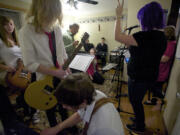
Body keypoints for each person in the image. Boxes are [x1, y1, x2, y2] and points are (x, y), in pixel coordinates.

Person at [115, 1, 167, 133]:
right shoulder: (162, 37)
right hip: (150, 76)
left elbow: (117, 37)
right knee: (137, 101)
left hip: (138, 77)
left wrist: (118, 16)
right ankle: (139, 120)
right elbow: (145, 52)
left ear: (146, 18)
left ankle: (140, 126)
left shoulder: (143, 36)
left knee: (135, 102)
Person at [19, 0, 69, 127]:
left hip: (60, 74)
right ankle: (54, 127)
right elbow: (29, 64)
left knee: (64, 102)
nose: (53, 19)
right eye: (51, 14)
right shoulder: (26, 31)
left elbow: (62, 53)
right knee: (49, 104)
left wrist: (66, 67)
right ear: (41, 10)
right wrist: (54, 72)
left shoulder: (56, 29)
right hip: (45, 77)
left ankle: (68, 124)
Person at [40, 73, 125, 135]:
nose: (63, 106)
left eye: (67, 104)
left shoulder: (104, 129)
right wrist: (56, 129)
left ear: (83, 102)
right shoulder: (94, 94)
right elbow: (80, 114)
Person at [144, 25, 177, 105]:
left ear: (168, 34)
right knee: (153, 86)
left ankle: (159, 100)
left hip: (162, 71)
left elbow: (165, 58)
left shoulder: (171, 44)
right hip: (158, 69)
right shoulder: (167, 43)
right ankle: (155, 100)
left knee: (156, 87)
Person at [0, 16, 21, 84]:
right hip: (15, 73)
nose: (9, 26)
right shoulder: (0, 41)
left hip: (25, 69)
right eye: (5, 24)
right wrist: (6, 68)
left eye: (11, 24)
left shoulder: (17, 39)